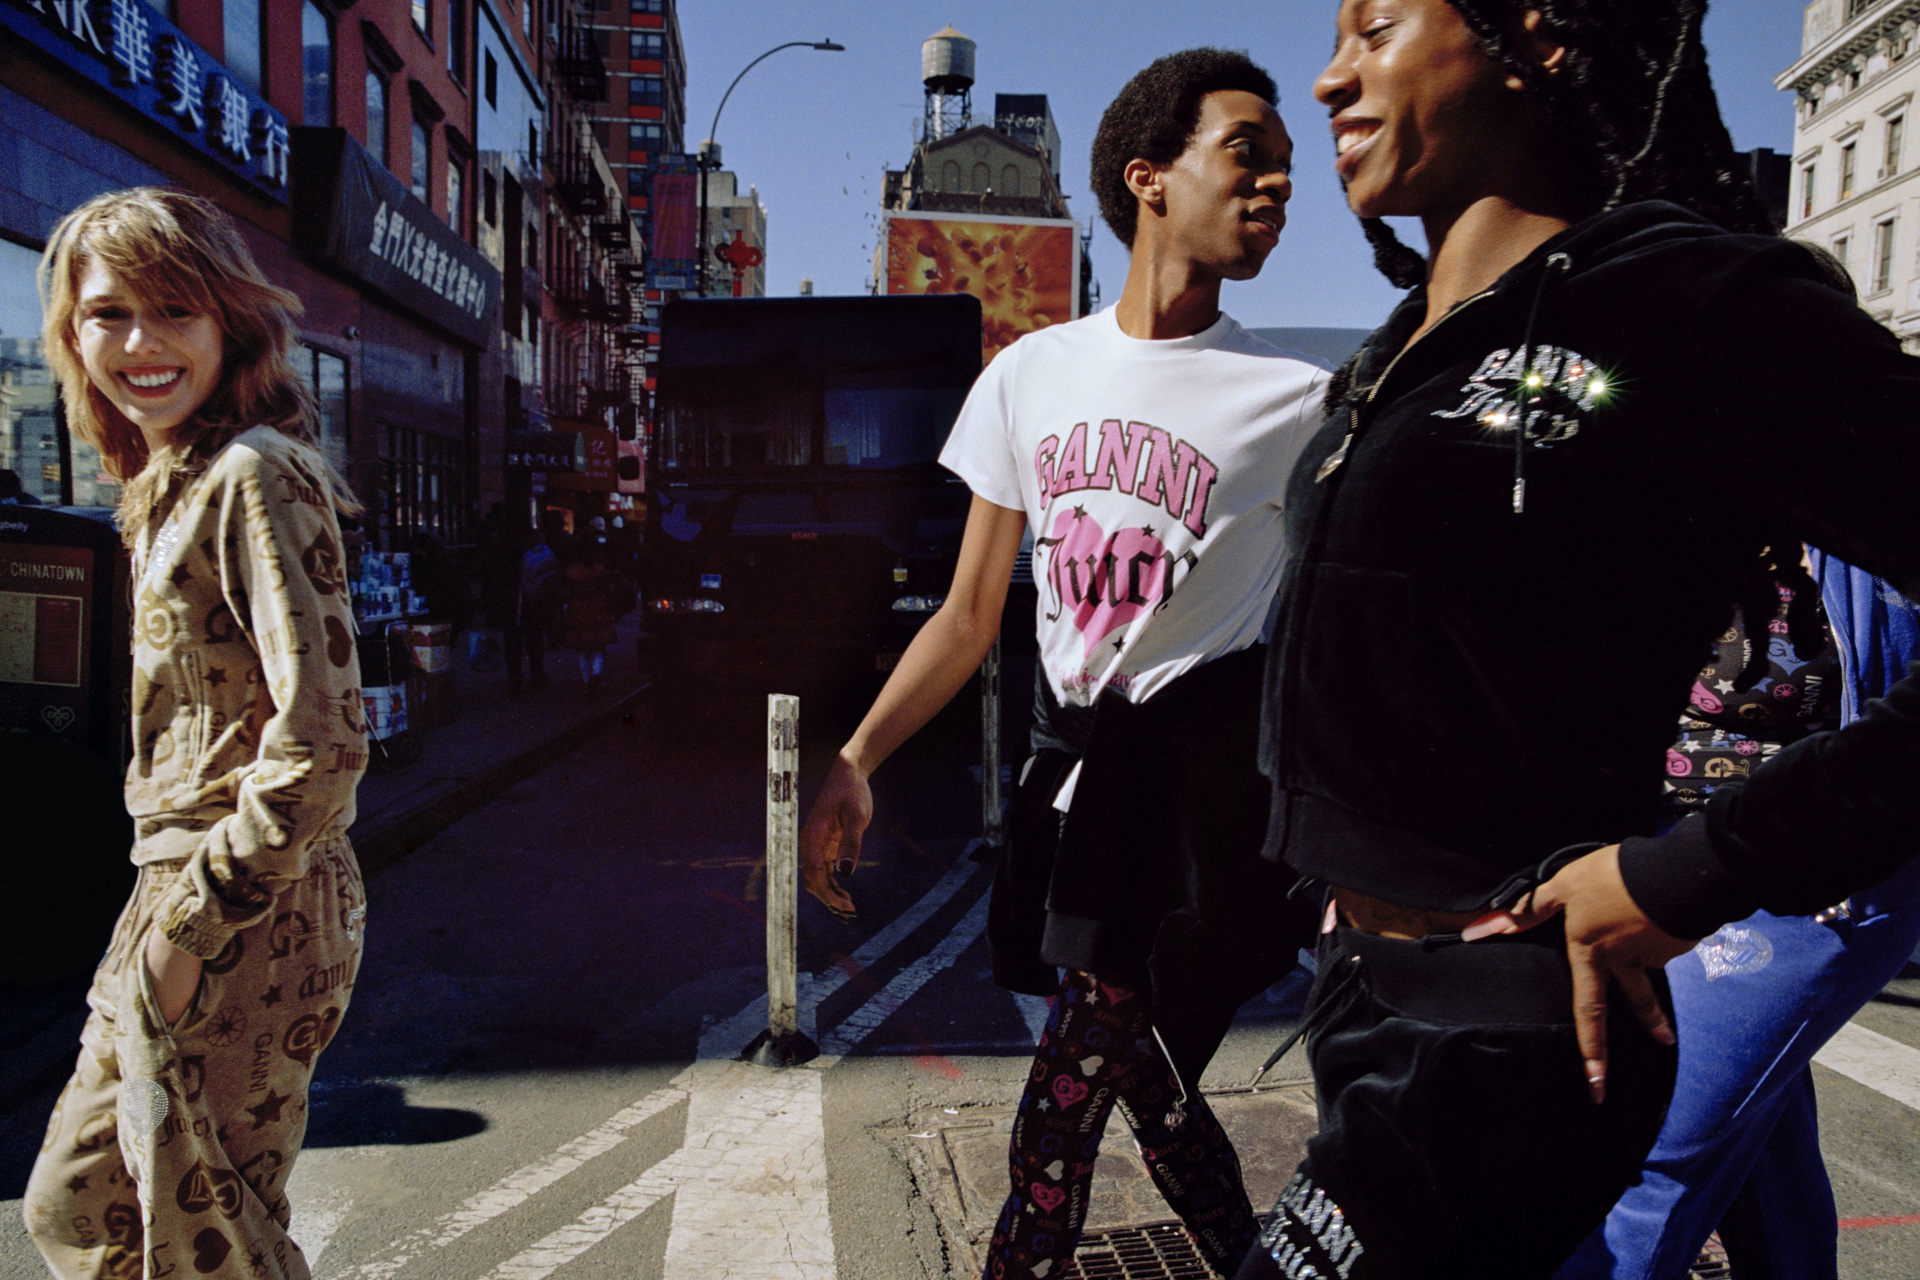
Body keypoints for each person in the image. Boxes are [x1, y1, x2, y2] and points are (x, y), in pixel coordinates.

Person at [1238, 2, 1920, 1276]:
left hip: (1509, 1033)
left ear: (1532, 35)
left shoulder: (1695, 298)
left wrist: (1698, 869)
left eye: (1378, 25)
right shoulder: (1404, 350)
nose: (1329, 77)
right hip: (1359, 996)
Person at [799, 49, 1325, 1280]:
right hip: (1067, 791)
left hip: (1191, 809)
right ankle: (1254, 1256)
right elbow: (970, 611)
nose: (1280, 183)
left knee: (1060, 1112)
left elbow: (1342, 633)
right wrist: (860, 757)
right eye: (1248, 152)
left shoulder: (1298, 403)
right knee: (1142, 1081)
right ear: (1149, 177)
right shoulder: (1029, 373)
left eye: (1287, 167)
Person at [21, 188, 366, 1280]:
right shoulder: (166, 480)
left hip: (243, 898)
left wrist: (192, 925)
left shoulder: (253, 474)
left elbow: (325, 741)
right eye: (108, 314)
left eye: (173, 309)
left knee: (176, 1227)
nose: (140, 343)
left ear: (231, 319)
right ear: (71, 337)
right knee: (135, 1211)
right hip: (179, 884)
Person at [1556, 552, 1920, 1280]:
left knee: (1644, 1158)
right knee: (1758, 1154)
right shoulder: (1673, 465)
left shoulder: (1866, 476)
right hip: (1637, 844)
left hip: (1806, 859)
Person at [562, 519, 618, 695]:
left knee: (582, 648)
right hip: (598, 609)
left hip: (578, 609)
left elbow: (566, 591)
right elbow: (610, 589)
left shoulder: (571, 571)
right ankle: (595, 675)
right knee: (598, 646)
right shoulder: (600, 570)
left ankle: (586, 680)